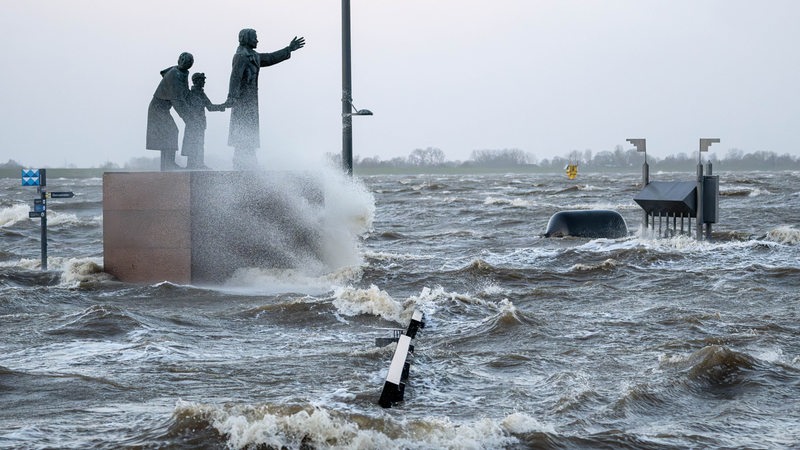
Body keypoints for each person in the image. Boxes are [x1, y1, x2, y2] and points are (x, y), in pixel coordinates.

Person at [225, 29, 305, 170]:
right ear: (246, 39)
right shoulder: (240, 56)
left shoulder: (254, 55)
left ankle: (250, 160)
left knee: (251, 129)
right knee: (242, 129)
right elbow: (235, 77)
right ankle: (240, 161)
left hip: (251, 100)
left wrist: (289, 49)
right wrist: (231, 97)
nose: (257, 40)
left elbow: (270, 58)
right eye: (255, 38)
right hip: (242, 100)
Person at [146, 52, 194, 171]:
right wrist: (187, 118)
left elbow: (185, 94)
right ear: (179, 60)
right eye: (183, 60)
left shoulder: (183, 73)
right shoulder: (174, 74)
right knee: (171, 131)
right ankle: (168, 165)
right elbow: (177, 100)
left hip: (163, 109)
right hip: (157, 109)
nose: (185, 62)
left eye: (188, 62)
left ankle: (167, 165)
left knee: (170, 132)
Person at [182, 72, 226, 170]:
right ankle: (191, 165)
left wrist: (222, 106)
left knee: (200, 144)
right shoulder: (190, 93)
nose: (204, 82)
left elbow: (209, 107)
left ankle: (200, 163)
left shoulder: (201, 94)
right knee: (192, 143)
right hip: (192, 123)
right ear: (196, 81)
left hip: (200, 123)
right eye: (202, 80)